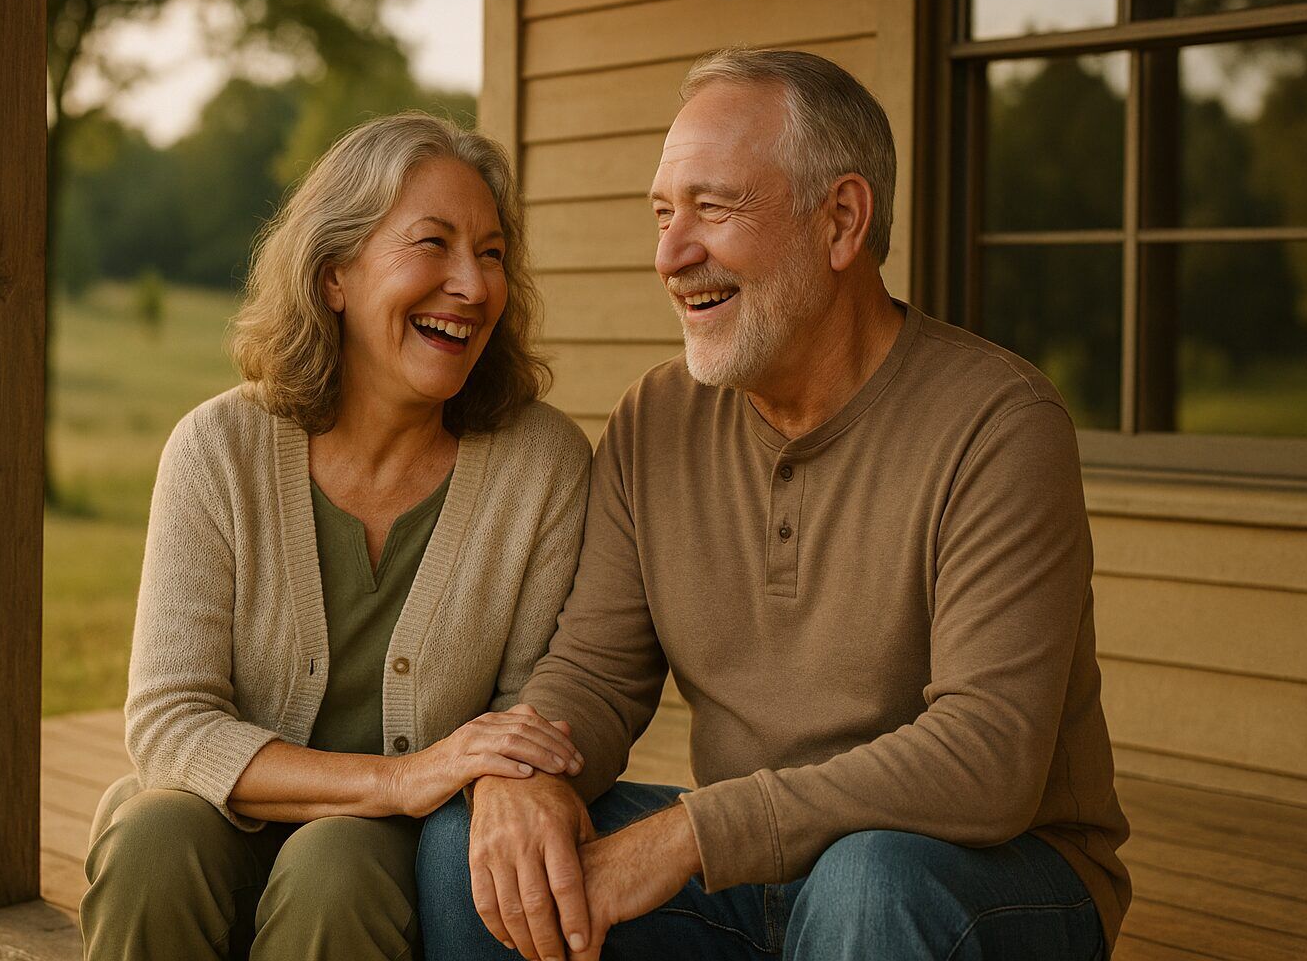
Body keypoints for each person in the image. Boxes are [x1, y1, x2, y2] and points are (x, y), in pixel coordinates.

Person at [417, 49, 1132, 960]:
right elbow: (595, 675)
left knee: (868, 882)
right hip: (755, 875)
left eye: (713, 209)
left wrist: (694, 834)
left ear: (841, 221)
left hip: (989, 879)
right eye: (664, 214)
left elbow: (986, 757)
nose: (671, 256)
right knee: (474, 854)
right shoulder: (656, 419)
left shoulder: (999, 423)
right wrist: (522, 780)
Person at [79, 111, 594, 961]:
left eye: (492, 253)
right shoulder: (218, 450)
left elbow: (524, 719)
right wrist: (398, 777)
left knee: (334, 866)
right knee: (150, 841)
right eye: (433, 244)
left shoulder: (541, 465)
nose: (473, 285)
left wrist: (417, 795)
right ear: (333, 276)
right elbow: (169, 724)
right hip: (220, 824)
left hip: (389, 858)